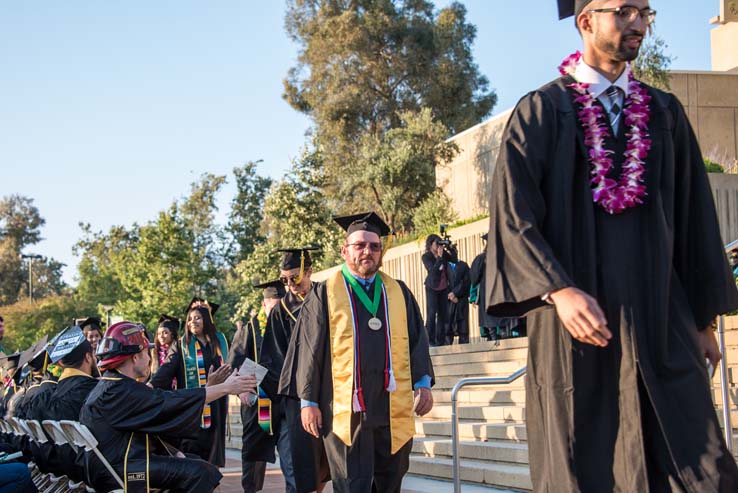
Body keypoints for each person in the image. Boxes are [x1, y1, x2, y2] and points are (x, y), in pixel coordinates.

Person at [485, 1, 738, 490]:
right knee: (588, 468)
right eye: (623, 11)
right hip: (577, 336)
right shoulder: (540, 112)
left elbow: (693, 219)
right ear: (586, 20)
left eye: (645, 12)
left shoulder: (664, 111)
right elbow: (513, 218)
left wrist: (704, 321)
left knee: (706, 469)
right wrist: (558, 290)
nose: (638, 24)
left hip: (662, 322)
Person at [284, 212, 434, 493]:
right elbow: (309, 349)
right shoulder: (325, 292)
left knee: (390, 483)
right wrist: (308, 402)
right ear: (345, 250)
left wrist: (423, 383)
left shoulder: (398, 292)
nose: (368, 251)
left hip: (390, 407)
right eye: (360, 245)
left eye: (374, 246)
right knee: (353, 484)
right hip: (344, 410)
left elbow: (417, 339)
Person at [81, 320, 256, 493]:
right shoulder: (121, 390)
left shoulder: (111, 386)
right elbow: (166, 402)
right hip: (123, 470)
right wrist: (226, 387)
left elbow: (163, 405)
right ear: (135, 357)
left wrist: (210, 389)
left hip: (111, 466)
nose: (150, 358)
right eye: (146, 352)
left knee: (194, 462)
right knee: (203, 473)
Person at [261, 246, 328, 493]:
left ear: (309, 271)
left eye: (294, 278)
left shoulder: (327, 297)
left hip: (331, 391)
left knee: (330, 461)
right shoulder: (280, 311)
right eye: (284, 280)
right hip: (298, 398)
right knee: (306, 466)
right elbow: (273, 358)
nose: (289, 285)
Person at [150, 298, 231, 467]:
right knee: (193, 450)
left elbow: (231, 364)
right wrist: (151, 385)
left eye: (197, 318)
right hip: (192, 405)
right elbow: (168, 367)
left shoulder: (220, 341)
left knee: (213, 452)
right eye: (190, 319)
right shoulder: (181, 345)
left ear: (207, 320)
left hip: (216, 405)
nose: (192, 322)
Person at [228, 279, 285, 493]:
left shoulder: (291, 324)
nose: (278, 307)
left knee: (291, 453)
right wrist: (242, 387)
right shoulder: (250, 329)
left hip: (286, 399)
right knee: (253, 452)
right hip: (258, 400)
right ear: (264, 305)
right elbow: (235, 360)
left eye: (281, 302)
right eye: (273, 303)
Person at [469, 233, 521, 341]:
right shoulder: (504, 256)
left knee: (492, 319)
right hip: (500, 292)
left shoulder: (482, 258)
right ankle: (499, 335)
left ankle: (494, 336)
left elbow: (474, 278)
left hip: (489, 292)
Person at [421, 234, 450, 346]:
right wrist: (439, 257)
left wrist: (451, 248)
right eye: (436, 243)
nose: (438, 245)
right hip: (432, 287)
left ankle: (440, 340)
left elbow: (454, 259)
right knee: (432, 313)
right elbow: (432, 271)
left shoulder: (443, 254)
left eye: (439, 243)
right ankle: (430, 340)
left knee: (443, 314)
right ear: (430, 244)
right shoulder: (426, 256)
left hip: (443, 287)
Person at [446, 246, 471, 344]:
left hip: (461, 300)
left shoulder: (463, 265)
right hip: (447, 301)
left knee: (463, 326)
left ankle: (464, 347)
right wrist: (449, 294)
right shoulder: (443, 266)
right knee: (447, 328)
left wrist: (455, 293)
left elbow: (466, 281)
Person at [150, 314, 179, 388]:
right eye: (159, 333)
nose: (161, 336)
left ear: (172, 334)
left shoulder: (179, 351)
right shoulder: (154, 352)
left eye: (165, 333)